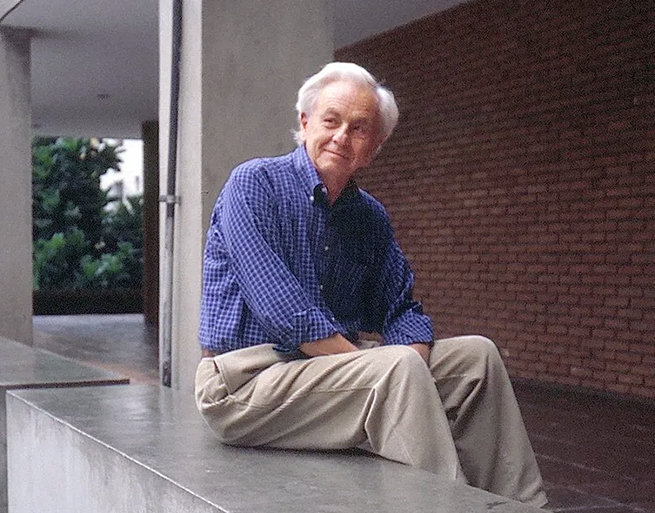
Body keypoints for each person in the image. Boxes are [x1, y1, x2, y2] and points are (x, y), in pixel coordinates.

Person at [195, 62, 548, 508]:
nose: (342, 137)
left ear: (374, 147)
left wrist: (411, 360)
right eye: (331, 120)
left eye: (359, 128)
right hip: (244, 383)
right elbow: (283, 311)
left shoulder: (369, 217)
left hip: (326, 373)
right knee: (395, 367)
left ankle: (526, 506)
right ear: (305, 123)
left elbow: (400, 309)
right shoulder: (254, 184)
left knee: (477, 358)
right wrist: (389, 364)